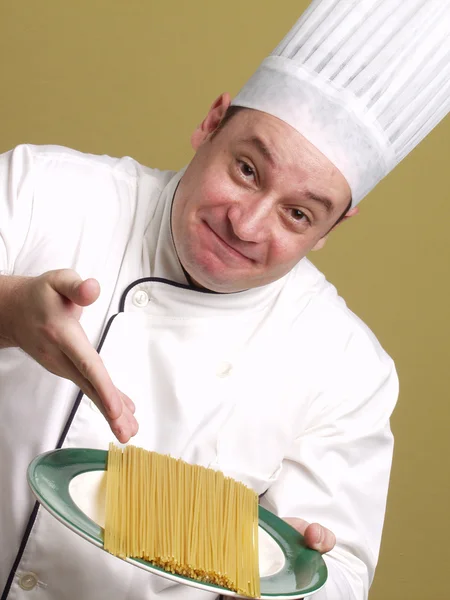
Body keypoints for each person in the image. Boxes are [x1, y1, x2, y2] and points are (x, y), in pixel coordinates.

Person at [0, 1, 448, 599]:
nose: (248, 225)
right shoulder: (43, 189)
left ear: (332, 229)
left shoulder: (348, 370)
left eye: (298, 213)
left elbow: (338, 582)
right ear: (210, 124)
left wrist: (290, 576)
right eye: (246, 169)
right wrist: (4, 311)